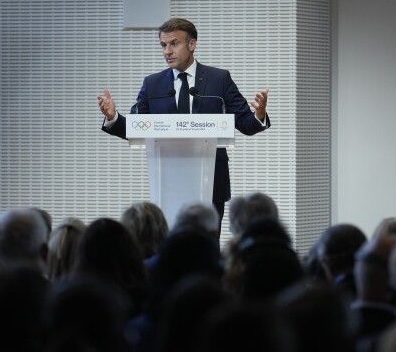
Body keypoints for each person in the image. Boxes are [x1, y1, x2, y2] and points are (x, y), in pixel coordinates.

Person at [97, 18, 270, 224]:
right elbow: (135, 127)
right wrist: (113, 117)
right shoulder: (152, 84)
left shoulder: (219, 79)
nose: (167, 51)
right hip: (168, 179)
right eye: (163, 45)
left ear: (192, 44)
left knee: (207, 246)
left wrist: (258, 114)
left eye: (174, 43)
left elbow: (245, 123)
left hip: (211, 179)